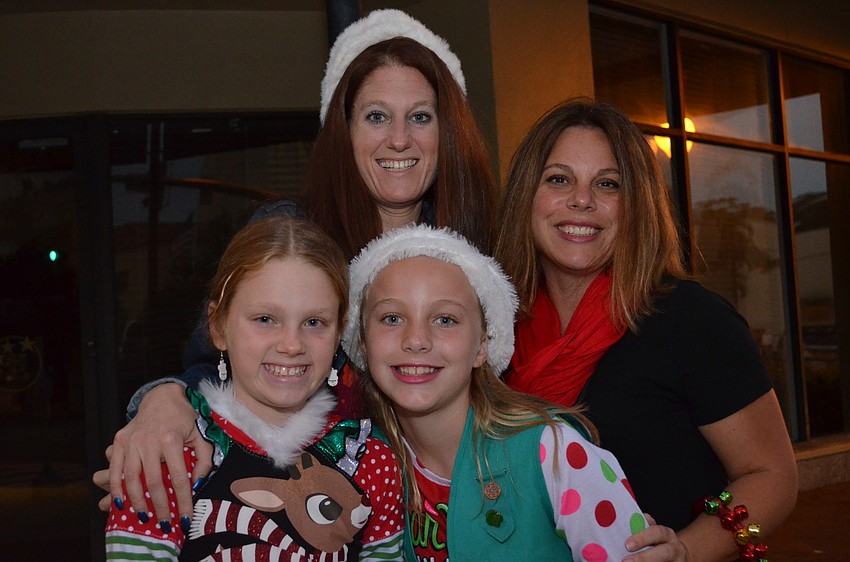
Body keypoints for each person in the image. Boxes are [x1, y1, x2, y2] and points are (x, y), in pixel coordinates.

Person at [96, 7, 497, 530]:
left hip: (443, 515)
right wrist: (160, 406)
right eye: (376, 116)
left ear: (447, 131)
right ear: (343, 129)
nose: (399, 139)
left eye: (420, 117)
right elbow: (212, 365)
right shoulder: (290, 231)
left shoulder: (470, 252)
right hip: (303, 514)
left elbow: (504, 395)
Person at [492, 98, 797, 561]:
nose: (582, 200)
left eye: (608, 184)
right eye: (559, 179)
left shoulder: (693, 321)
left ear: (635, 206)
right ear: (525, 197)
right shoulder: (493, 328)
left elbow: (773, 475)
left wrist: (687, 551)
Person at [342, 223, 676, 561]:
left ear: (483, 345)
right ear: (363, 342)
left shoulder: (554, 454)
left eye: (445, 320)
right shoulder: (359, 462)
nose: (416, 340)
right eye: (392, 318)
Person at [105, 215, 405, 560]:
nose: (291, 345)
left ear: (340, 333)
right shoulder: (167, 453)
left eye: (314, 322)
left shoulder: (369, 460)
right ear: (218, 326)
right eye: (265, 319)